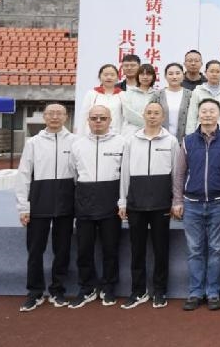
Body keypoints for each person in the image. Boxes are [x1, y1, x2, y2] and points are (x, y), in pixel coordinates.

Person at [173, 98, 220, 312]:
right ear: (198, 114)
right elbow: (179, 174)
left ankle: (213, 292)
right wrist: (177, 200)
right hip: (192, 203)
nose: (208, 114)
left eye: (212, 111)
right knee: (194, 250)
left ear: (219, 114)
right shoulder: (188, 141)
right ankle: (195, 292)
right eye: (204, 111)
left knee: (217, 249)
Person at [118, 102, 180, 310]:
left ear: (163, 117)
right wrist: (123, 201)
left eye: (157, 113)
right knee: (137, 250)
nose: (152, 116)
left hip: (161, 204)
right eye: (149, 113)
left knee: (161, 250)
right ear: (143, 115)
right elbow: (124, 172)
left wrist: (175, 200)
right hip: (136, 203)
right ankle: (138, 291)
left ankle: (160, 291)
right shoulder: (131, 140)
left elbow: (176, 174)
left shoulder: (171, 141)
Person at [15, 103, 77, 311]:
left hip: (66, 202)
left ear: (66, 117)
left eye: (59, 113)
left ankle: (58, 290)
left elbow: (79, 173)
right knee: (35, 249)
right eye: (50, 113)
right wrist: (23, 207)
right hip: (39, 201)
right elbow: (24, 174)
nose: (55, 117)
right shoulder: (33, 142)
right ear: (44, 117)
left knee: (62, 249)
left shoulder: (75, 141)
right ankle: (35, 292)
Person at [68, 105, 125, 308]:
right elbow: (73, 173)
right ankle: (87, 288)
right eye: (94, 118)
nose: (98, 121)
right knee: (84, 249)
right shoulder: (77, 144)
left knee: (110, 249)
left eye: (102, 118)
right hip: (85, 201)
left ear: (110, 120)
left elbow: (124, 174)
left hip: (111, 201)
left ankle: (109, 287)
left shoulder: (122, 143)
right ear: (88, 120)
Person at [185, 60, 220, 134]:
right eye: (211, 71)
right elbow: (192, 115)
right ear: (205, 72)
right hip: (201, 132)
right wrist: (190, 135)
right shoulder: (198, 91)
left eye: (217, 72)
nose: (214, 74)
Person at [150, 62, 192, 142]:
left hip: (184, 140)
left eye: (177, 73)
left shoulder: (190, 95)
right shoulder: (157, 95)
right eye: (170, 74)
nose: (174, 77)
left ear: (183, 76)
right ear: (165, 76)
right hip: (160, 139)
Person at [78, 64, 122, 134]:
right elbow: (84, 116)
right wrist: (80, 135)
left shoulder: (122, 95)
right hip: (93, 134)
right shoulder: (92, 94)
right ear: (99, 77)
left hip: (116, 134)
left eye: (112, 75)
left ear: (117, 78)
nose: (109, 77)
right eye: (105, 75)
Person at [119, 63, 156, 136]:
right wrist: (148, 123)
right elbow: (128, 113)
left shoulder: (157, 94)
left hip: (151, 133)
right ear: (137, 76)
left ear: (153, 77)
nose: (145, 77)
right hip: (131, 134)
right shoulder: (128, 93)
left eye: (148, 74)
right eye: (142, 74)